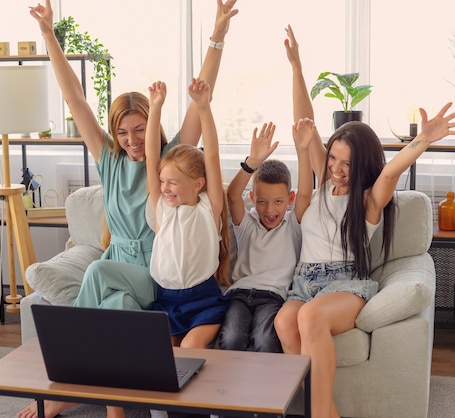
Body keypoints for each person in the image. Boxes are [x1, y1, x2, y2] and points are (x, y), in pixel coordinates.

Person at [19, 1, 238, 418]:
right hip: (119, 267)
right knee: (115, 307)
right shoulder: (110, 159)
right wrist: (49, 35)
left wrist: (218, 35)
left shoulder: (172, 157)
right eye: (123, 132)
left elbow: (200, 98)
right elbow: (74, 96)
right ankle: (110, 409)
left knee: (99, 274)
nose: (133, 140)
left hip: (154, 275)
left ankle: (64, 380)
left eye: (140, 129)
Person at [273, 25, 455, 418]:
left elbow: (391, 174)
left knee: (309, 317)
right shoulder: (321, 185)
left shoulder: (368, 202)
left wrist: (423, 140)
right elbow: (305, 127)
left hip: (345, 284)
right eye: (333, 159)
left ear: (362, 166)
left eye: (348, 163)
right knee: (285, 321)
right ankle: (326, 412)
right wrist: (296, 67)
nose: (338, 169)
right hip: (304, 283)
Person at [145, 78, 231, 349]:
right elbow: (150, 157)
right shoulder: (163, 210)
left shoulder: (209, 208)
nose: (164, 189)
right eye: (162, 181)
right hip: (166, 300)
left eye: (173, 182)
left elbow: (213, 156)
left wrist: (203, 108)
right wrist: (155, 108)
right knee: (161, 355)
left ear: (198, 184)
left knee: (189, 350)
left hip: (203, 300)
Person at [217, 120, 312, 352]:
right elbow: (232, 196)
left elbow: (306, 194)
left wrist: (303, 150)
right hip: (239, 295)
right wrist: (252, 163)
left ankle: (266, 389)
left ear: (290, 199)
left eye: (278, 202)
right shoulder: (248, 224)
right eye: (262, 202)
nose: (270, 210)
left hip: (273, 297)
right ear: (252, 198)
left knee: (267, 341)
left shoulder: (293, 224)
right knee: (231, 339)